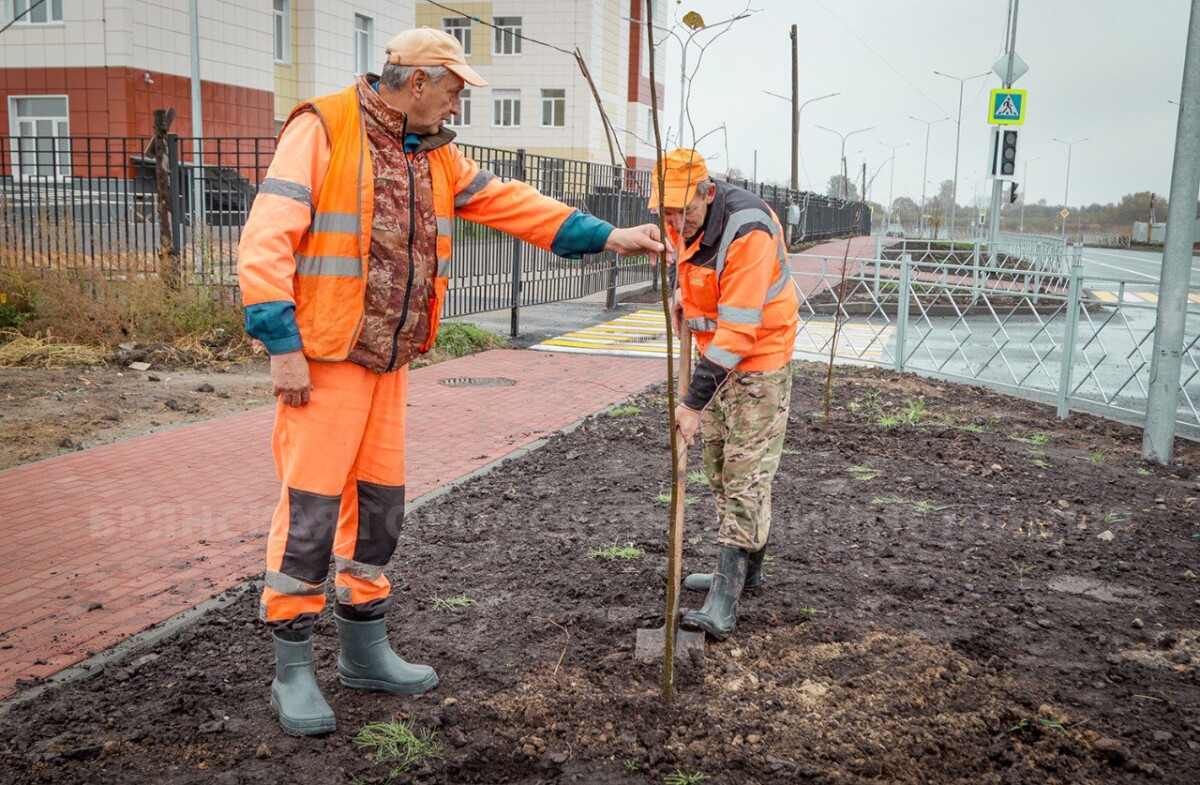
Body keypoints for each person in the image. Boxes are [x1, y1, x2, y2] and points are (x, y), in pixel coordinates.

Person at [237, 26, 663, 736]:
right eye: (456, 89)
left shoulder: (433, 154)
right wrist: (281, 345)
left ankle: (364, 650)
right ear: (419, 81)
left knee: (379, 510)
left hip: (389, 362)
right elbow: (266, 237)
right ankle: (294, 671)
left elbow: (513, 204)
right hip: (324, 361)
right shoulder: (323, 127)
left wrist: (606, 235)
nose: (459, 104)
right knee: (310, 514)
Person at [650, 148, 798, 641]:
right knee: (717, 463)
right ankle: (747, 568)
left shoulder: (748, 228)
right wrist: (682, 295)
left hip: (759, 358)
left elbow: (738, 332)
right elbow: (698, 272)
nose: (676, 222)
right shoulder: (681, 218)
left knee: (745, 470)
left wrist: (691, 404)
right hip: (715, 355)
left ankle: (726, 597)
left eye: (683, 212)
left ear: (707, 193)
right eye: (666, 213)